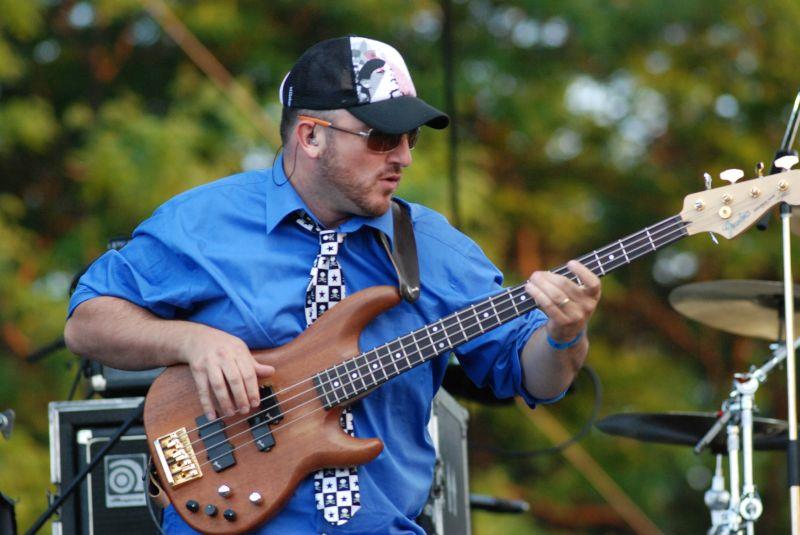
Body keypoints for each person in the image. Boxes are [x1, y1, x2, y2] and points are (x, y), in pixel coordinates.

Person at [64, 35, 601, 534]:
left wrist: (565, 334)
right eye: (382, 137)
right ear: (311, 136)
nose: (404, 157)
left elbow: (533, 377)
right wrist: (192, 341)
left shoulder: (434, 247)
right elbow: (86, 323)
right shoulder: (202, 221)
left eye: (410, 137)